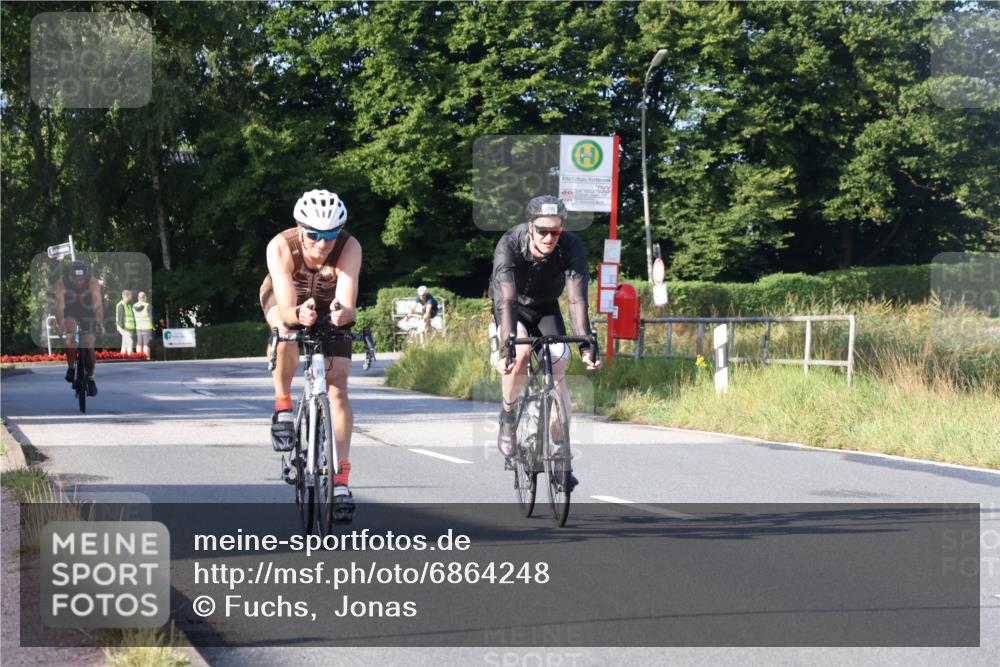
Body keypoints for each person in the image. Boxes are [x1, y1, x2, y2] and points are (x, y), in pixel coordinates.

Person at [260, 189, 362, 515]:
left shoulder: (349, 247)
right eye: (314, 235)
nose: (322, 244)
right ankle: (283, 406)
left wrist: (342, 314)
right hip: (286, 300)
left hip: (327, 302)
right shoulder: (281, 246)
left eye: (330, 235)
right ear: (300, 229)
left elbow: (347, 303)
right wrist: (296, 314)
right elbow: (286, 307)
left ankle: (341, 479)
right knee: (285, 331)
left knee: (338, 387)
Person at [488, 195, 600, 486]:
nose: (549, 237)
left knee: (558, 365)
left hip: (546, 308)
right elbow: (506, 299)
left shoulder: (571, 246)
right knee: (522, 353)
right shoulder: (509, 243)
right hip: (512, 308)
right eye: (542, 231)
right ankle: (508, 415)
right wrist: (507, 347)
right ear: (530, 226)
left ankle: (560, 452)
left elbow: (576, 299)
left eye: (556, 231)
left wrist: (586, 345)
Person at [52, 259, 103, 396]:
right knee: (70, 336)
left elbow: (98, 304)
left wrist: (99, 322)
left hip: (88, 313)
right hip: (70, 312)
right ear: (70, 275)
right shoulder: (61, 283)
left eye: (82, 279)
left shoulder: (93, 282)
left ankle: (91, 378)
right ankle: (70, 368)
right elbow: (59, 306)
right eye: (76, 279)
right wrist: (60, 324)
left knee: (89, 345)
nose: (79, 282)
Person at [133, 291, 155, 359]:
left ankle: (139, 358)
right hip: (147, 327)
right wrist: (154, 326)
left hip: (138, 327)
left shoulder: (134, 306)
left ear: (138, 298)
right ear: (145, 297)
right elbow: (151, 317)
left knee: (139, 343)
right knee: (146, 344)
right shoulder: (147, 305)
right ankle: (147, 358)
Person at [116, 289, 135, 354]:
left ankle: (123, 355)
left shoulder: (129, 305)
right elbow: (120, 317)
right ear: (126, 296)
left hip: (129, 327)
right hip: (124, 328)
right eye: (130, 296)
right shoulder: (121, 305)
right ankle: (130, 355)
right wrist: (123, 327)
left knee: (124, 344)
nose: (131, 297)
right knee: (130, 342)